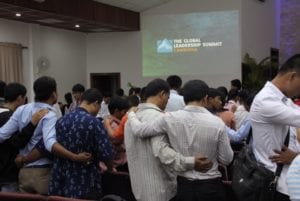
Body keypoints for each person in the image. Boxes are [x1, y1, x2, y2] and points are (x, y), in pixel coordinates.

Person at [126, 79, 233, 201]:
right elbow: (226, 159)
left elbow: (140, 131)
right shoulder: (217, 123)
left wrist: (131, 115)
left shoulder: (170, 118)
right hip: (210, 186)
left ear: (184, 98)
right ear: (205, 98)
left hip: (184, 186)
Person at [0, 76, 90, 194]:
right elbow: (49, 144)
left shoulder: (22, 109)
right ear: (54, 94)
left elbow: (1, 135)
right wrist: (74, 157)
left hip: (23, 172)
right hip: (42, 171)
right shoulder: (49, 114)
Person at [250, 54, 300, 201]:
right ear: (292, 77)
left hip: (285, 179)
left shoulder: (282, 99)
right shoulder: (266, 101)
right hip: (276, 183)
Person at [49, 88, 113, 200]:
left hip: (61, 178)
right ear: (96, 103)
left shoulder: (61, 120)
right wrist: (110, 168)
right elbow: (106, 153)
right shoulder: (94, 123)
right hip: (85, 180)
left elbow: (51, 145)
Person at [0, 83, 48, 192]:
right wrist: (32, 124)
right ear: (20, 98)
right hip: (8, 172)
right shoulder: (10, 117)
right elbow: (17, 142)